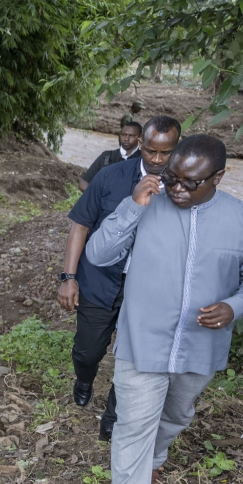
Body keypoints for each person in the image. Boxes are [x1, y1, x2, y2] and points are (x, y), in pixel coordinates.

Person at [85, 134, 243, 484]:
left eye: (190, 182)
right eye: (171, 177)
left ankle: (155, 459)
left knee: (175, 415)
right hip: (142, 339)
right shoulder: (146, 203)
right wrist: (133, 207)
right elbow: (98, 254)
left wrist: (234, 305)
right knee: (133, 425)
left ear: (218, 178)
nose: (177, 189)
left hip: (200, 346)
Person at [59, 115, 180, 441]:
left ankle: (113, 415)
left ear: (175, 149)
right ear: (141, 144)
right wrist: (68, 277)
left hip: (147, 289)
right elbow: (80, 225)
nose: (156, 159)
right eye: (151, 150)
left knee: (132, 354)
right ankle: (84, 378)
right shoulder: (110, 176)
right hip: (99, 279)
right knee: (88, 349)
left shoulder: (182, 189)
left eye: (165, 153)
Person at [77, 121, 142, 192]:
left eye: (131, 136)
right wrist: (99, 197)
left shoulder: (143, 159)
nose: (126, 139)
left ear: (140, 137)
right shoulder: (106, 157)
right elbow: (83, 184)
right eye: (123, 135)